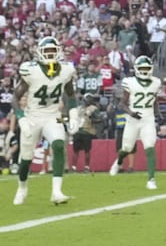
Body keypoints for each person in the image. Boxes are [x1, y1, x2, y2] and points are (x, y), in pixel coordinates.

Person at [12, 36, 77, 205]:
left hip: (52, 115)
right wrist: (21, 118)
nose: (49, 54)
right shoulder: (30, 70)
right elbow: (15, 96)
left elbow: (71, 94)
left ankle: (56, 191)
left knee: (58, 144)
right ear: (40, 53)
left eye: (52, 51)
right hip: (32, 116)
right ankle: (22, 187)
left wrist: (74, 113)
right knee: (25, 159)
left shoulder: (66, 69)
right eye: (46, 51)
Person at [109, 56, 162, 189]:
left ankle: (151, 179)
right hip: (133, 119)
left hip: (148, 119)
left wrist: (157, 112)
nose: (144, 71)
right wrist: (131, 113)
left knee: (149, 147)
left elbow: (154, 100)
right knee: (126, 148)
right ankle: (119, 161)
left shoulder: (156, 82)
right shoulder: (130, 82)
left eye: (146, 68)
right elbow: (122, 104)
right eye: (142, 68)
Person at [70, 94, 102, 173]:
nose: (88, 100)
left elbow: (99, 119)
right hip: (78, 131)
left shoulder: (92, 109)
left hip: (87, 131)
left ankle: (86, 167)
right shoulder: (79, 109)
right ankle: (74, 167)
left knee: (86, 151)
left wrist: (92, 118)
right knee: (76, 150)